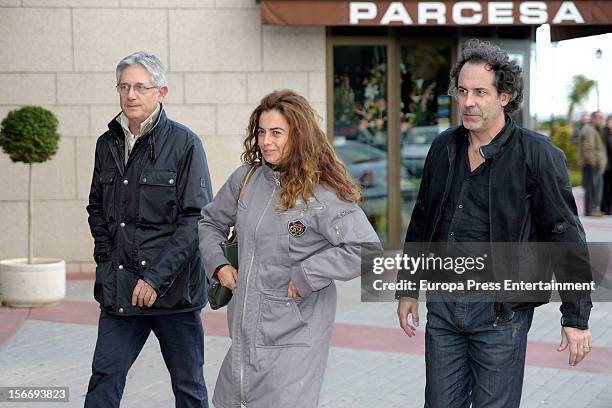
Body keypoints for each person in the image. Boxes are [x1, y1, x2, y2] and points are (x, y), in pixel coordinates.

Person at [396, 39, 593, 408]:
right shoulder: (443, 148)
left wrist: (576, 316)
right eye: (463, 91)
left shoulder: (537, 155)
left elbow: (565, 236)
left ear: (504, 96)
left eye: (481, 92)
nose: (468, 101)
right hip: (444, 307)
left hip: (501, 314)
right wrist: (408, 288)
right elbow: (423, 220)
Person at [198, 90, 380, 408]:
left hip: (297, 334)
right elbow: (209, 222)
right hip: (244, 332)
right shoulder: (246, 179)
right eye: (262, 132)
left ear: (298, 135)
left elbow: (366, 249)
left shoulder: (321, 192)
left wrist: (307, 274)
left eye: (277, 133)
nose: (267, 141)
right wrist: (218, 264)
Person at [85, 51, 212, 408]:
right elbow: (96, 207)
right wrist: (107, 259)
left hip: (174, 297)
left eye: (140, 86)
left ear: (161, 91)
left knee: (189, 388)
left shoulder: (185, 144)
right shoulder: (106, 144)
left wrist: (154, 279)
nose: (131, 95)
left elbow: (196, 219)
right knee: (103, 381)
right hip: (120, 292)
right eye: (124, 86)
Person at [579, 110, 607, 216]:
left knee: (596, 188)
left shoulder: (595, 129)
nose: (601, 120)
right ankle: (590, 210)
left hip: (596, 165)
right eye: (599, 117)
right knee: (591, 188)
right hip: (591, 165)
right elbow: (588, 148)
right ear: (593, 118)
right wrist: (593, 162)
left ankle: (594, 209)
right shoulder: (588, 129)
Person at [601, 114, 612, 214]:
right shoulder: (605, 132)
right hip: (606, 165)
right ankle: (606, 208)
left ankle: (608, 207)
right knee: (606, 188)